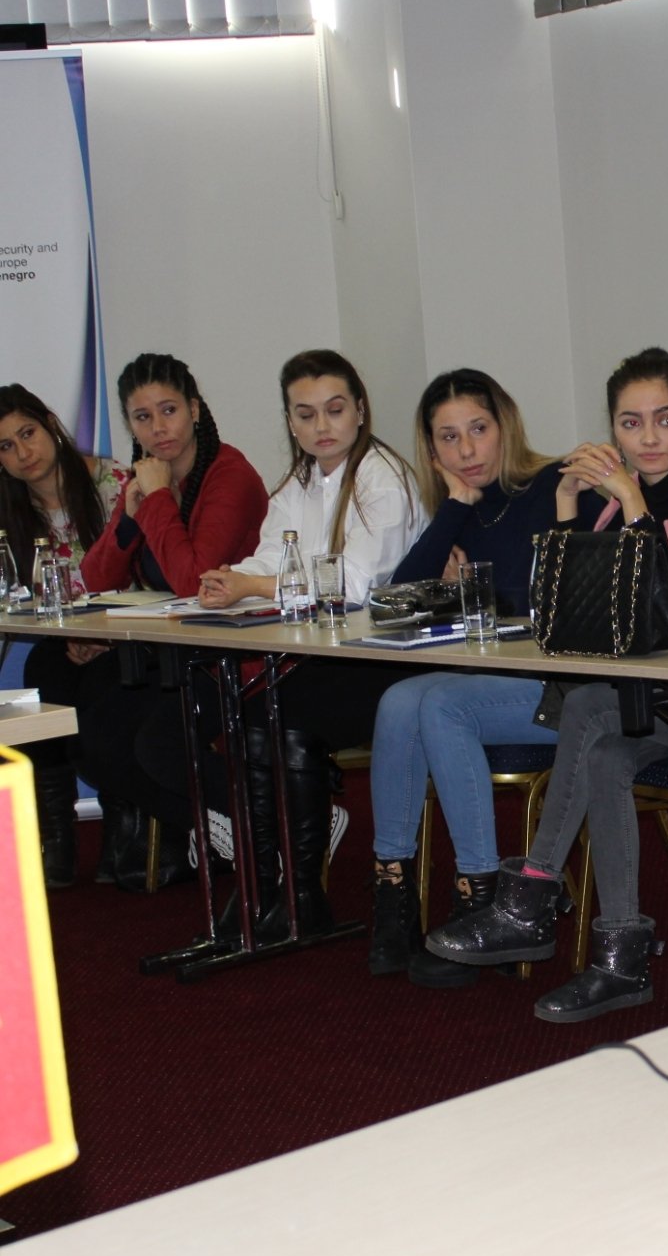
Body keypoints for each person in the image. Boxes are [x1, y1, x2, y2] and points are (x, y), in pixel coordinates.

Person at [422, 347, 668, 1020]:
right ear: (614, 431)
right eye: (631, 423)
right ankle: (620, 959)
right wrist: (567, 504)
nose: (649, 437)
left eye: (666, 419)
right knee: (601, 747)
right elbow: (567, 622)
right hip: (657, 707)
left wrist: (632, 502)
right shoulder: (604, 514)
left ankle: (530, 897)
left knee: (590, 704)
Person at [135, 349, 426, 939]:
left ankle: (297, 892)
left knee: (276, 710)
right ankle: (269, 882)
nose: (322, 426)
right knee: (226, 713)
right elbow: (272, 555)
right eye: (306, 414)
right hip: (321, 654)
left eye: (334, 410)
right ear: (290, 422)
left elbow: (353, 583)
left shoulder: (383, 477)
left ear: (360, 410)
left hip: (386, 658)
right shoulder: (299, 480)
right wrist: (228, 580)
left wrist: (252, 585)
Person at [367, 368, 602, 988]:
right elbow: (395, 606)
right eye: (448, 438)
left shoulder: (557, 485)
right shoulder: (462, 508)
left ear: (506, 427)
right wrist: (453, 510)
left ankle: (485, 897)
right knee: (397, 701)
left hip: (566, 690)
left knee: (442, 705)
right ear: (431, 450)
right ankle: (393, 891)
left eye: (478, 429)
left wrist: (478, 591)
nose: (467, 450)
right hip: (500, 683)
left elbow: (569, 603)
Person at [76, 353, 268, 886]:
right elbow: (95, 579)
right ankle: (215, 827)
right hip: (173, 649)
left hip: (234, 653)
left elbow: (193, 581)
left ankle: (285, 818)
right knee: (91, 735)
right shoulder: (147, 479)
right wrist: (130, 516)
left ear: (195, 410)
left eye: (169, 410)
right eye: (143, 417)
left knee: (151, 743)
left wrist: (157, 499)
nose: (158, 428)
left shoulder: (230, 474)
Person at [0, 384, 126, 887]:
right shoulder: (9, 514)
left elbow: (146, 578)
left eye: (27, 433)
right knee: (37, 679)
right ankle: (57, 832)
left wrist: (106, 636)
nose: (22, 452)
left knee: (102, 685)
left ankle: (123, 823)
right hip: (62, 640)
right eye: (6, 446)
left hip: (129, 635)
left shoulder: (114, 483)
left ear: (51, 424)